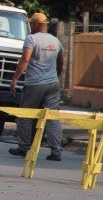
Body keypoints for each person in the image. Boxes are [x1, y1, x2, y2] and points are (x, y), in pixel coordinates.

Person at [8, 12, 65, 161]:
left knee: (25, 115)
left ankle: (24, 148)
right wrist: (55, 76)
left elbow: (25, 59)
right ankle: (56, 151)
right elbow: (60, 63)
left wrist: (14, 79)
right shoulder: (55, 41)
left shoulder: (31, 39)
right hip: (53, 84)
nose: (30, 26)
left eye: (31, 23)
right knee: (52, 117)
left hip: (35, 84)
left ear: (35, 24)